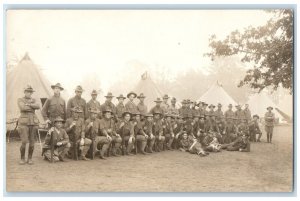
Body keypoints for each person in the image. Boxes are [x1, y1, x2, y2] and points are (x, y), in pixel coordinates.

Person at [17, 85, 40, 165]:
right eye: (27, 92)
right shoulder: (20, 99)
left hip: (33, 122)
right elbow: (22, 108)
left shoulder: (34, 99)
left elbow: (38, 106)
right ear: (24, 92)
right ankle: (22, 158)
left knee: (32, 142)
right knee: (24, 141)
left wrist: (28, 105)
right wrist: (32, 106)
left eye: (30, 92)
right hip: (24, 123)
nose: (29, 93)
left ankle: (30, 158)